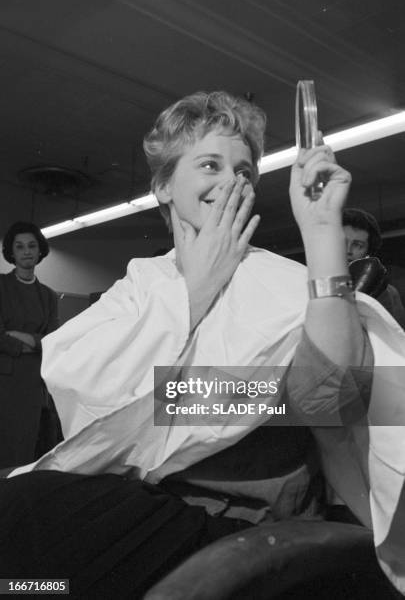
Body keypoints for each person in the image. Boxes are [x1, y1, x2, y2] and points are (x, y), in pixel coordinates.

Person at [1, 92, 404, 598]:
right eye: (210, 163)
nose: (231, 181)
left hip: (249, 533)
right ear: (165, 186)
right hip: (148, 507)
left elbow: (330, 396)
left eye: (244, 171)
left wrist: (322, 232)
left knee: (27, 513)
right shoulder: (141, 284)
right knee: (27, 572)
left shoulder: (280, 281)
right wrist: (193, 291)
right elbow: (88, 405)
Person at [0, 221, 61, 469]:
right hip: (4, 378)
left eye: (32, 246)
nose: (26, 251)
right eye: (20, 246)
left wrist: (17, 336)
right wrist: (31, 342)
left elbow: (52, 340)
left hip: (34, 381)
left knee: (26, 444)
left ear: (40, 251)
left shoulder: (48, 295)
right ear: (11, 253)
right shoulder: (1, 286)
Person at [343, 207, 405, 328]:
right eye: (342, 242)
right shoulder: (305, 278)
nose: (347, 250)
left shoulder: (386, 292)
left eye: (357, 245)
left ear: (368, 252)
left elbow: (396, 340)